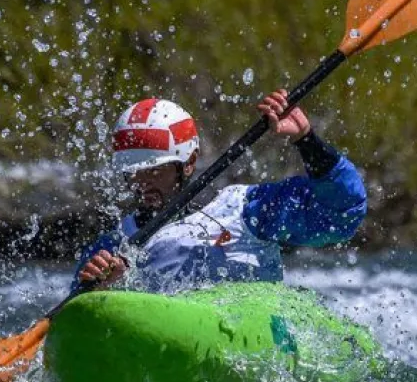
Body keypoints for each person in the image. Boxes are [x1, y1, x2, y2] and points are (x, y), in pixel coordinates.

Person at [72, 89, 366, 294]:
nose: (142, 182)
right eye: (133, 172)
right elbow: (78, 323)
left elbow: (342, 215)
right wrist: (100, 290)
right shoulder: (113, 247)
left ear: (188, 163)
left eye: (155, 170)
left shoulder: (246, 210)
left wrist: (306, 140)